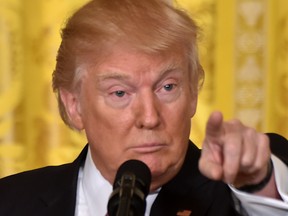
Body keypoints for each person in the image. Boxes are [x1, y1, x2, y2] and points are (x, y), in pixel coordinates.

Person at [0, 0, 287, 215]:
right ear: (74, 105)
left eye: (168, 87)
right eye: (120, 92)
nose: (149, 118)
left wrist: (260, 184)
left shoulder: (239, 195)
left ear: (192, 94)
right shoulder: (10, 202)